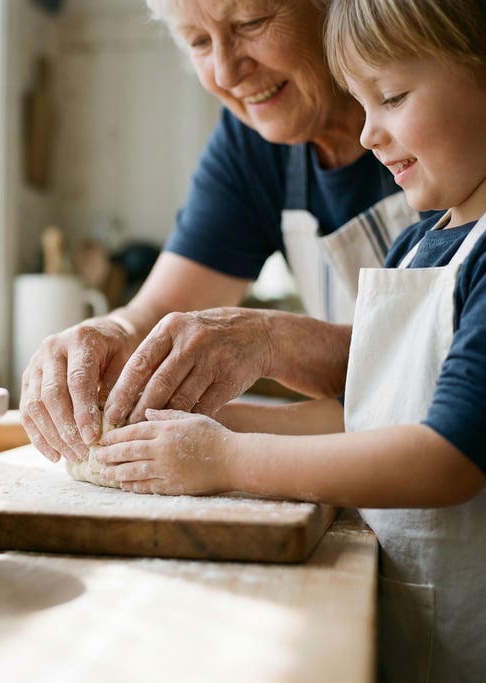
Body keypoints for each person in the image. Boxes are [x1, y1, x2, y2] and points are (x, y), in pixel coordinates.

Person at [93, 0, 486, 679]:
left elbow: (445, 456)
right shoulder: (418, 243)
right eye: (195, 40)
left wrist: (225, 458)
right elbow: (365, 413)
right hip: (407, 614)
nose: (369, 135)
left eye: (390, 97)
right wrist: (184, 426)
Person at [20, 0, 427, 463]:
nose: (227, 72)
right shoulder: (250, 143)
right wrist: (101, 333)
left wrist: (272, 340)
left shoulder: (446, 128)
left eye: (251, 23)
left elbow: (440, 357)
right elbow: (156, 313)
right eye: (198, 41)